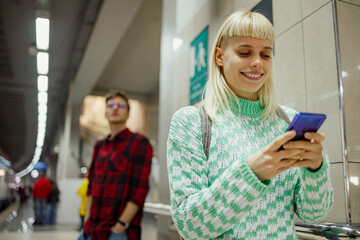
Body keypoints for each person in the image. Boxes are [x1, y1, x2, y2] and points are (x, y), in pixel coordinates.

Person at [167, 10, 334, 240]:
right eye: (244, 52)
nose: (257, 63)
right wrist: (251, 173)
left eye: (266, 55)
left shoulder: (287, 120)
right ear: (219, 56)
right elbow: (189, 225)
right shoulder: (191, 122)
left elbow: (313, 213)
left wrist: (315, 170)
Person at [78, 90, 153, 240]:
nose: (115, 108)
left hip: (118, 231)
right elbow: (91, 187)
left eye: (121, 105)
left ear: (128, 114)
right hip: (92, 229)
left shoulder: (139, 143)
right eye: (111, 105)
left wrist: (120, 225)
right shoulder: (99, 145)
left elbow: (140, 190)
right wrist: (87, 221)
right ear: (105, 112)